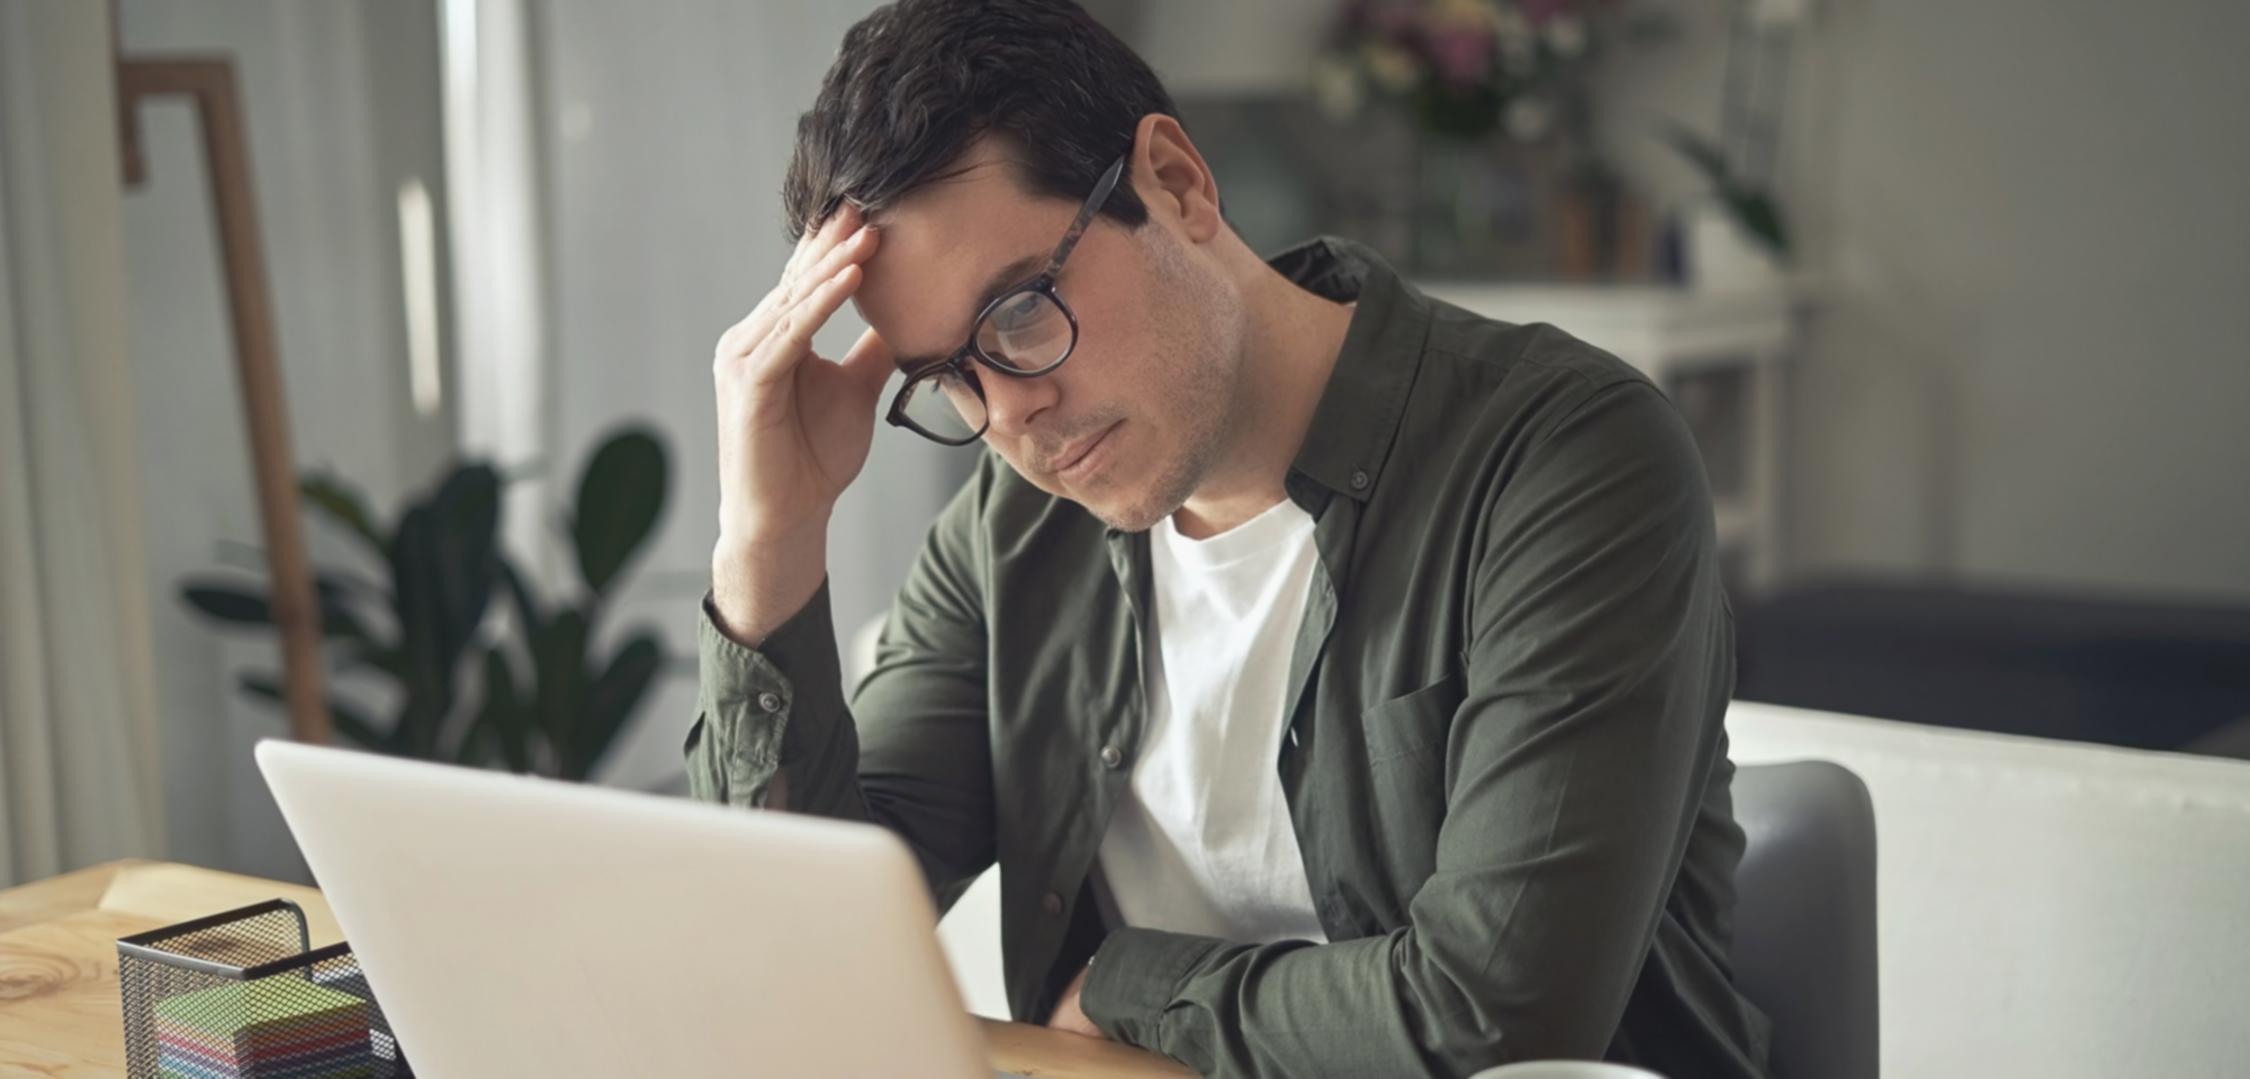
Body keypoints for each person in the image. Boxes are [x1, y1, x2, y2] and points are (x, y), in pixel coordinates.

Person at [686, 1, 1770, 1075]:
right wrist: (768, 546)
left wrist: (1125, 985)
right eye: (946, 377)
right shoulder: (1010, 529)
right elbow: (800, 942)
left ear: (1175, 183)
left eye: (1017, 312)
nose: (1007, 414)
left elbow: (1500, 1017)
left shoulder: (1565, 458)